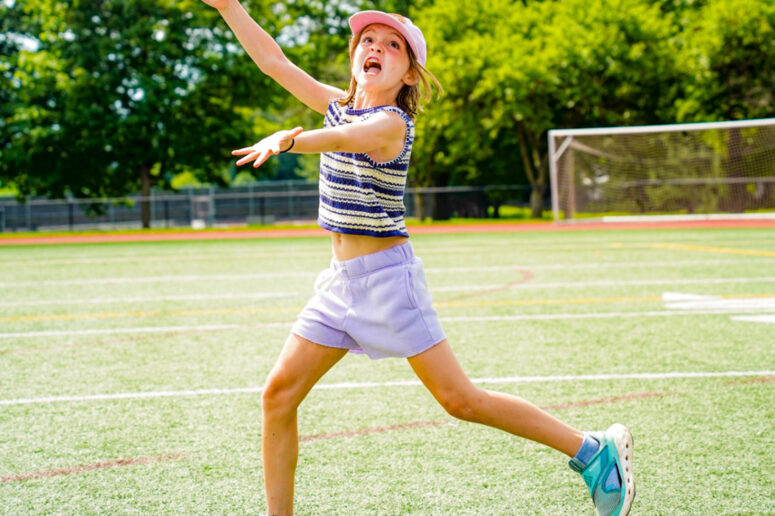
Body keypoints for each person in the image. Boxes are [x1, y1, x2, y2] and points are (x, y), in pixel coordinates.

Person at [199, 2, 635, 515]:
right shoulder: (339, 103)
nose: (376, 48)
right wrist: (229, 6)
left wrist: (290, 138)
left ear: (408, 74)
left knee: (461, 401)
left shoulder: (391, 123)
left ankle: (593, 452)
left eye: (392, 45)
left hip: (388, 281)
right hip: (339, 284)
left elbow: (343, 138)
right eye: (368, 40)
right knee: (278, 396)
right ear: (355, 54)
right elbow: (274, 62)